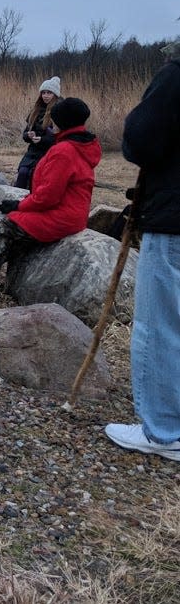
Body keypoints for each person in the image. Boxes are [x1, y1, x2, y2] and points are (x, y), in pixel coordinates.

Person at [104, 38, 180, 461]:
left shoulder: (175, 76)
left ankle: (165, 431)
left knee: (160, 321)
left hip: (174, 218)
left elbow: (141, 138)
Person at [0, 97, 101, 301]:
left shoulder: (64, 151)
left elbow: (48, 197)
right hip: (72, 213)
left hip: (61, 216)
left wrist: (19, 205)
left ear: (63, 122)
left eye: (54, 120)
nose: (51, 124)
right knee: (13, 222)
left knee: (4, 223)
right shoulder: (82, 146)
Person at [14, 76, 61, 189]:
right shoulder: (36, 110)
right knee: (23, 172)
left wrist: (42, 140)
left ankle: (33, 202)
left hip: (49, 153)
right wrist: (29, 135)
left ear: (55, 94)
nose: (45, 95)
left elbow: (60, 138)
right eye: (43, 92)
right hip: (33, 152)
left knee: (34, 175)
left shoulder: (59, 111)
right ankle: (17, 201)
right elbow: (25, 135)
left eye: (49, 93)